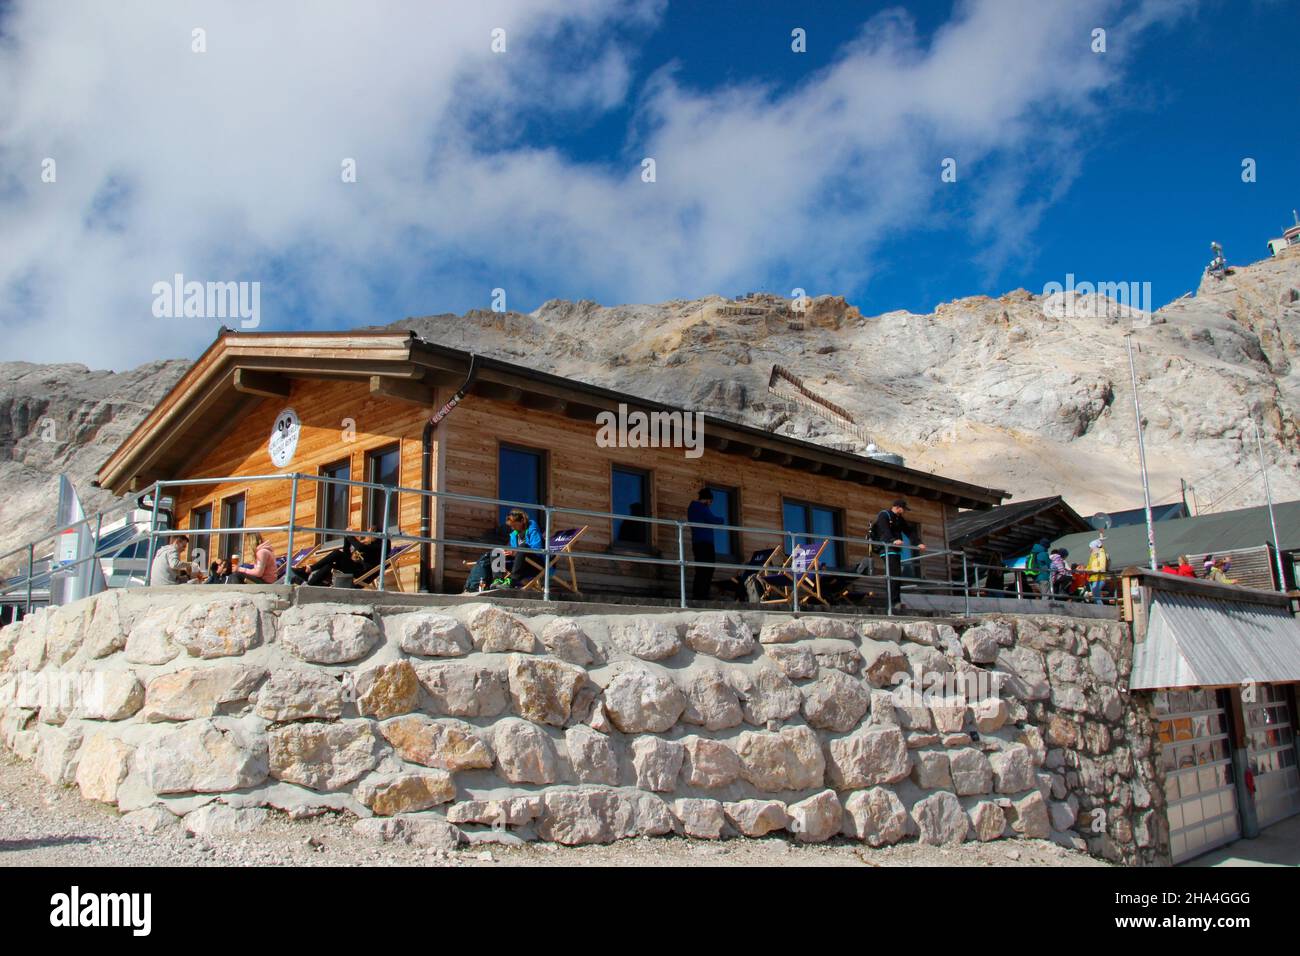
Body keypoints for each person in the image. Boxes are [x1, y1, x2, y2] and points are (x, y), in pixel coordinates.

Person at [871, 499, 926, 609]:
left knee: (896, 575)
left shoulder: (899, 519)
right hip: (886, 548)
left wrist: (918, 543)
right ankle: (893, 603)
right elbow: (884, 530)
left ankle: (896, 602)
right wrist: (892, 540)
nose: (904, 512)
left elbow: (909, 531)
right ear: (897, 507)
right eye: (903, 509)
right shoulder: (884, 515)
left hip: (895, 550)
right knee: (893, 574)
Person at [298, 532, 383, 587]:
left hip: (361, 574)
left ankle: (311, 568)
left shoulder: (376, 549)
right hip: (354, 569)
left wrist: (350, 536)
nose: (366, 536)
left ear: (375, 536)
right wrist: (346, 538)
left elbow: (361, 548)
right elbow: (347, 554)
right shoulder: (367, 546)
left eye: (368, 534)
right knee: (330, 565)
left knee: (337, 553)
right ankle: (310, 584)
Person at [687, 488, 724, 601]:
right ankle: (702, 595)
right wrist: (722, 519)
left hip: (697, 542)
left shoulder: (693, 508)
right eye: (711, 502)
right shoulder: (702, 508)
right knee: (707, 569)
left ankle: (698, 595)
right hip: (705, 543)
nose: (710, 504)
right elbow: (713, 519)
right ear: (707, 500)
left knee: (701, 570)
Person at [492, 509, 544, 589]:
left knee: (523, 547)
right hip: (519, 564)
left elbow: (537, 549)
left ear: (522, 520)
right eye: (511, 526)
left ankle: (513, 580)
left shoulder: (532, 529)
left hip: (535, 565)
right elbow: (511, 550)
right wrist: (507, 552)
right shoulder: (514, 535)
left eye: (514, 525)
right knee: (497, 551)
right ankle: (498, 579)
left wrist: (516, 552)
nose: (513, 528)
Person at [1086, 538, 1108, 604]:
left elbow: (1102, 567)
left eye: (1091, 547)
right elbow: (1090, 566)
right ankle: (1100, 611)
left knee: (1096, 596)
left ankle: (1102, 611)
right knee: (1095, 597)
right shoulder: (1093, 555)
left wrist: (1091, 570)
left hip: (1099, 578)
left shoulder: (1101, 554)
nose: (1090, 549)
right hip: (1092, 578)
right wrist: (1086, 570)